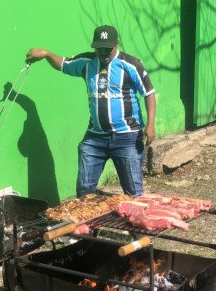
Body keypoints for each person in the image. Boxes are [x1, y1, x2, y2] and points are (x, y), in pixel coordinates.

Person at [25, 25, 156, 198]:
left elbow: (148, 93)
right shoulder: (87, 63)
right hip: (95, 138)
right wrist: (47, 54)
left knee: (133, 193)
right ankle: (88, 224)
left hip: (127, 137)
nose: (103, 52)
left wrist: (151, 124)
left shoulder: (131, 64)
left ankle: (135, 222)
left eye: (107, 48)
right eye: (99, 47)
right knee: (85, 192)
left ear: (117, 43)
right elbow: (63, 64)